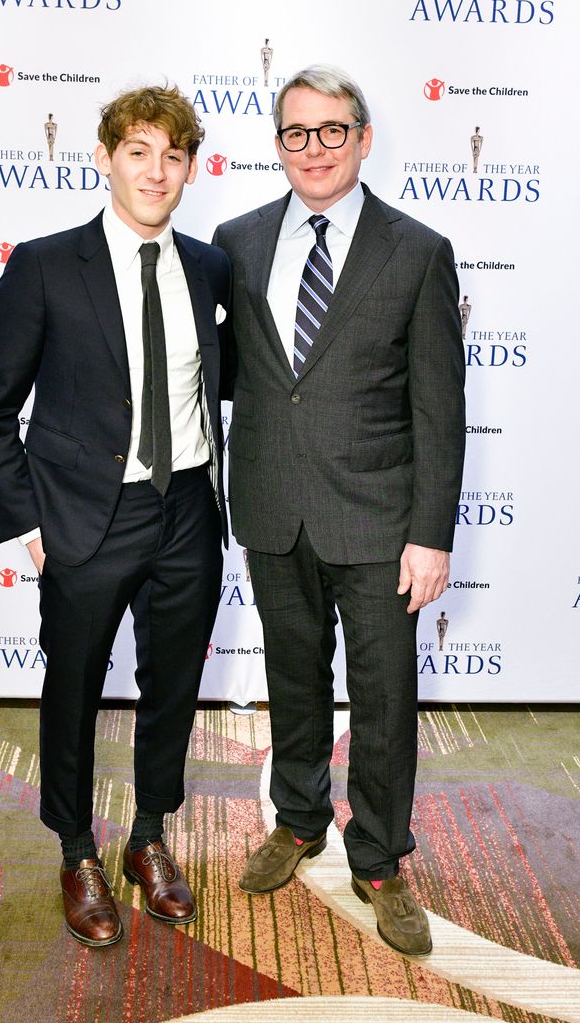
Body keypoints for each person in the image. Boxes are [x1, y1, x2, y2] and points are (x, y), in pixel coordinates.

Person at [0, 84, 231, 947]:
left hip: (187, 505)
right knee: (73, 688)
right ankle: (77, 850)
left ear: (190, 167)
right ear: (104, 158)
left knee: (172, 690)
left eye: (173, 156)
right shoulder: (45, 264)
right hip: (85, 517)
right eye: (138, 152)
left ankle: (148, 838)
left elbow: (216, 384)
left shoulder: (208, 266)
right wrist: (27, 526)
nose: (156, 171)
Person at [213, 65, 465, 957]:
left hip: (379, 519)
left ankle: (381, 860)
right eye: (295, 133)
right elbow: (220, 378)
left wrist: (430, 533)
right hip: (274, 507)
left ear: (361, 139)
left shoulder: (417, 250)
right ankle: (298, 819)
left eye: (330, 132)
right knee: (292, 680)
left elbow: (438, 408)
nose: (312, 149)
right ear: (276, 144)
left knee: (386, 698)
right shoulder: (234, 240)